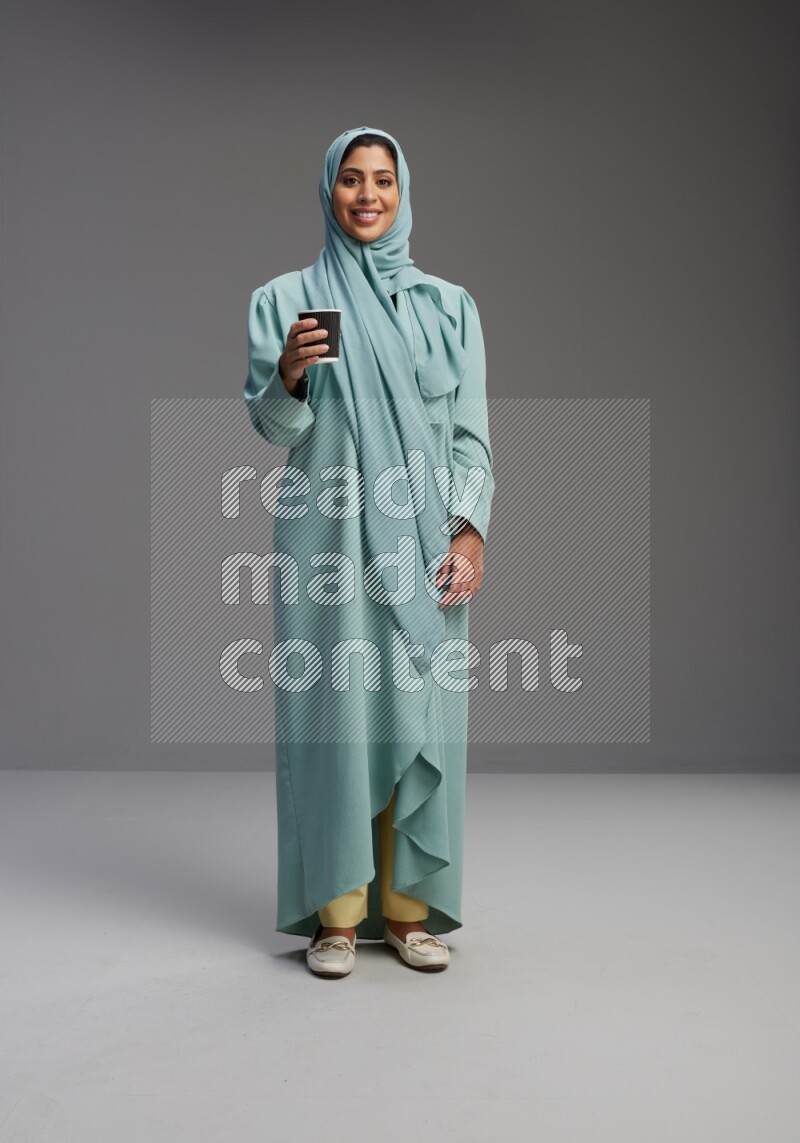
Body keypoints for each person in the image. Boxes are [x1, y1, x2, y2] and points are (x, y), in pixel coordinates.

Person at [243, 126, 494, 977]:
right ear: (328, 190)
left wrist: (470, 530)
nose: (367, 195)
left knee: (420, 712)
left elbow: (471, 439)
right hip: (328, 545)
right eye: (351, 179)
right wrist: (286, 376)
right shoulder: (284, 299)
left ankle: (408, 910)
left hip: (424, 543)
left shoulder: (448, 307)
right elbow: (278, 428)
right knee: (335, 723)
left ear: (403, 190)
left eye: (383, 179)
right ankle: (338, 915)